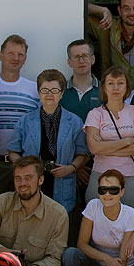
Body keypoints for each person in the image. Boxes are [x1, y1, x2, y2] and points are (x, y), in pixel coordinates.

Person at [8, 69, 89, 211]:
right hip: (33, 181)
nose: (49, 95)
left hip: (62, 181)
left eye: (54, 90)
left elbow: (82, 153)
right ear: (38, 93)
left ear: (62, 93)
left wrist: (71, 168)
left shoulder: (75, 122)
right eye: (44, 90)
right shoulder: (25, 121)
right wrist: (26, 169)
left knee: (60, 220)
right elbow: (13, 151)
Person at [0, 34, 40, 199]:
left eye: (20, 54)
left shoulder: (35, 90)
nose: (15, 58)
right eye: (11, 53)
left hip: (25, 167)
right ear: (0, 55)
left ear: (25, 59)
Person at [84, 67, 134, 210]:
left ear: (127, 87)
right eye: (111, 83)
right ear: (104, 88)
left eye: (120, 83)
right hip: (100, 176)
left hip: (129, 176)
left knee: (130, 219)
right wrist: (126, 141)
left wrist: (105, 148)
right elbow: (94, 148)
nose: (116, 88)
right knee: (97, 219)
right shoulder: (95, 114)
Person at [60, 39, 102, 121]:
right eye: (76, 57)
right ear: (69, 62)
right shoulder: (60, 91)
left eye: (85, 56)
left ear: (93, 59)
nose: (81, 61)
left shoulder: (105, 89)